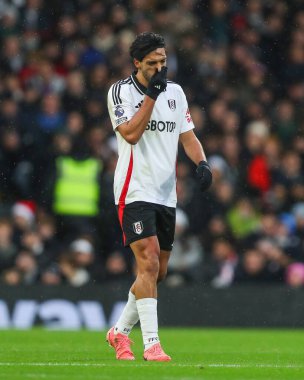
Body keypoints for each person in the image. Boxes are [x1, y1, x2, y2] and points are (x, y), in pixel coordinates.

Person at [106, 32, 212, 362]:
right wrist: (151, 96)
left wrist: (202, 162)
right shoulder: (119, 92)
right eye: (152, 63)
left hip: (166, 193)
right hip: (134, 188)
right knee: (148, 260)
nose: (159, 68)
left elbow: (188, 136)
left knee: (157, 272)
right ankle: (152, 344)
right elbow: (132, 135)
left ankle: (119, 332)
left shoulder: (176, 93)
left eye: (163, 62)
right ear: (137, 63)